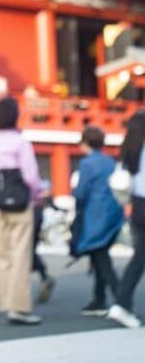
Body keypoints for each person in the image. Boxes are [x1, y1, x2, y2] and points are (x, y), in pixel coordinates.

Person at [0, 96, 43, 325]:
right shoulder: (21, 143)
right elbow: (30, 176)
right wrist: (37, 195)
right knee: (21, 255)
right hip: (20, 204)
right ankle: (19, 307)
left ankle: (6, 302)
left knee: (4, 254)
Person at [73, 125, 123, 316]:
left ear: (86, 143)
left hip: (95, 215)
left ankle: (120, 298)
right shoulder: (110, 161)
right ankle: (99, 297)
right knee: (100, 255)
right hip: (112, 213)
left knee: (101, 258)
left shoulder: (87, 164)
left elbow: (81, 192)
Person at [108, 110, 145, 328]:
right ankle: (121, 303)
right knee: (139, 259)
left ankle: (121, 303)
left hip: (138, 206)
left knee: (139, 259)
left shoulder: (129, 152)